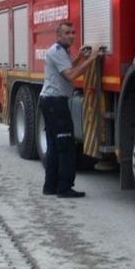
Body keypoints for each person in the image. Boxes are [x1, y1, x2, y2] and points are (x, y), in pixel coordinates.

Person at [40, 21, 96, 198]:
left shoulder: (61, 51)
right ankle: (64, 188)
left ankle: (50, 187)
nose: (71, 35)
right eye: (67, 33)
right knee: (65, 147)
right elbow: (70, 75)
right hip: (55, 103)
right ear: (58, 36)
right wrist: (92, 59)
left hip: (50, 102)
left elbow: (67, 68)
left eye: (73, 32)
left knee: (55, 146)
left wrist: (79, 57)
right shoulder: (57, 52)